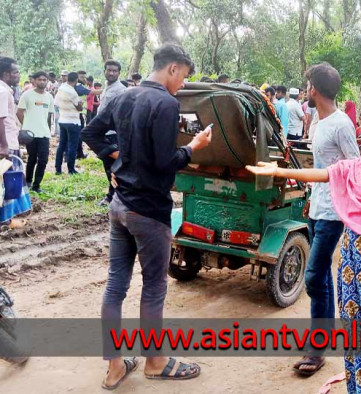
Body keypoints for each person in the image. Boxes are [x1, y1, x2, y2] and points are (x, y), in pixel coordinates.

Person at [247, 112, 361, 392]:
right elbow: (322, 173)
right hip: (355, 257)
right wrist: (279, 172)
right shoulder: (358, 166)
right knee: (356, 323)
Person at [82, 44, 212, 390]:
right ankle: (155, 361)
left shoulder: (124, 95)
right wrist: (192, 148)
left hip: (119, 205)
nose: (182, 85)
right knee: (154, 286)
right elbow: (163, 163)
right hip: (149, 211)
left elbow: (90, 134)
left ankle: (114, 366)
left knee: (115, 286)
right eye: (183, 77)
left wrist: (117, 159)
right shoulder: (166, 104)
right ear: (172, 69)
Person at [289, 62, 361, 376]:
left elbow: (355, 166)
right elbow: (321, 167)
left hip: (334, 212)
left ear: (314, 89)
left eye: (307, 86)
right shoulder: (318, 121)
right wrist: (309, 198)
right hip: (317, 206)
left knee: (313, 276)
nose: (305, 90)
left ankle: (316, 350)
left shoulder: (341, 124)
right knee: (321, 280)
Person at [0, 57, 31, 229]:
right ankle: (4, 221)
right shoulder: (2, 93)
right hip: (2, 145)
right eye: (16, 72)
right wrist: (4, 146)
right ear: (6, 74)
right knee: (6, 183)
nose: (18, 75)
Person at [17, 71, 55, 193]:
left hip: (44, 134)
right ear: (34, 80)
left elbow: (49, 116)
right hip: (30, 134)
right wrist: (26, 126)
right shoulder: (27, 95)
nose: (42, 82)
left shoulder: (49, 97)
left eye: (44, 80)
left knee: (43, 160)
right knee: (32, 158)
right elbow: (19, 113)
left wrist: (48, 129)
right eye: (40, 79)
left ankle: (37, 185)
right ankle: (28, 181)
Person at [95, 59, 127, 206]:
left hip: (113, 133)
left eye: (115, 71)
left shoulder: (120, 90)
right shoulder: (107, 87)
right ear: (105, 71)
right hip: (103, 133)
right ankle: (114, 195)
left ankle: (113, 196)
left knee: (113, 166)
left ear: (119, 73)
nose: (112, 73)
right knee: (108, 165)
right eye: (109, 70)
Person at [54, 71, 84, 175]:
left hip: (62, 120)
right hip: (73, 122)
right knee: (72, 146)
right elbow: (79, 108)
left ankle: (58, 169)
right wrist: (80, 104)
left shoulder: (61, 88)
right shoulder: (72, 92)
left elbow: (56, 103)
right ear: (76, 80)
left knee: (61, 144)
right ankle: (71, 169)